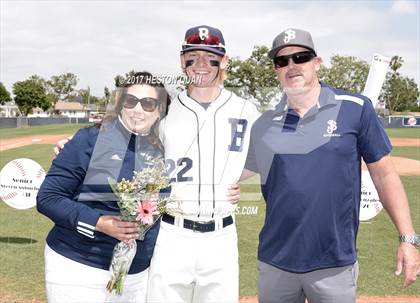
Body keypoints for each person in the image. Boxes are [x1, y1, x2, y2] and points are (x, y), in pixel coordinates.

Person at [243, 28, 420, 303]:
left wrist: (407, 238)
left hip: (334, 264)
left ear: (317, 62)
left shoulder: (355, 108)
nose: (291, 66)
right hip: (275, 262)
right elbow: (236, 172)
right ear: (276, 70)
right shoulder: (264, 124)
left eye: (300, 57)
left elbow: (385, 175)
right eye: (282, 61)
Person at [146, 25, 260, 303]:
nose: (201, 64)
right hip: (172, 234)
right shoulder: (164, 109)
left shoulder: (246, 110)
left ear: (224, 61)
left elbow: (262, 158)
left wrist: (233, 178)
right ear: (181, 60)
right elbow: (132, 148)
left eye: (210, 57)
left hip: (221, 238)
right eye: (192, 56)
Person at [37, 71, 170, 303]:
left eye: (148, 103)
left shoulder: (164, 149)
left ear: (159, 110)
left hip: (137, 276)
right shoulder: (90, 139)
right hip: (79, 268)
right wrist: (100, 223)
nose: (138, 109)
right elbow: (48, 198)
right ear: (120, 105)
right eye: (131, 101)